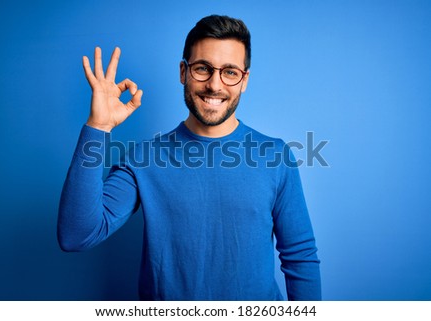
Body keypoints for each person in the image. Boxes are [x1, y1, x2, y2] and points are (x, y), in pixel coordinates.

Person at [58, 14, 321, 301]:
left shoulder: (276, 156)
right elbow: (76, 235)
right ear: (183, 72)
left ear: (244, 80)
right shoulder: (143, 159)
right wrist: (98, 127)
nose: (215, 85)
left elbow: (300, 257)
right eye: (202, 69)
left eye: (230, 72)